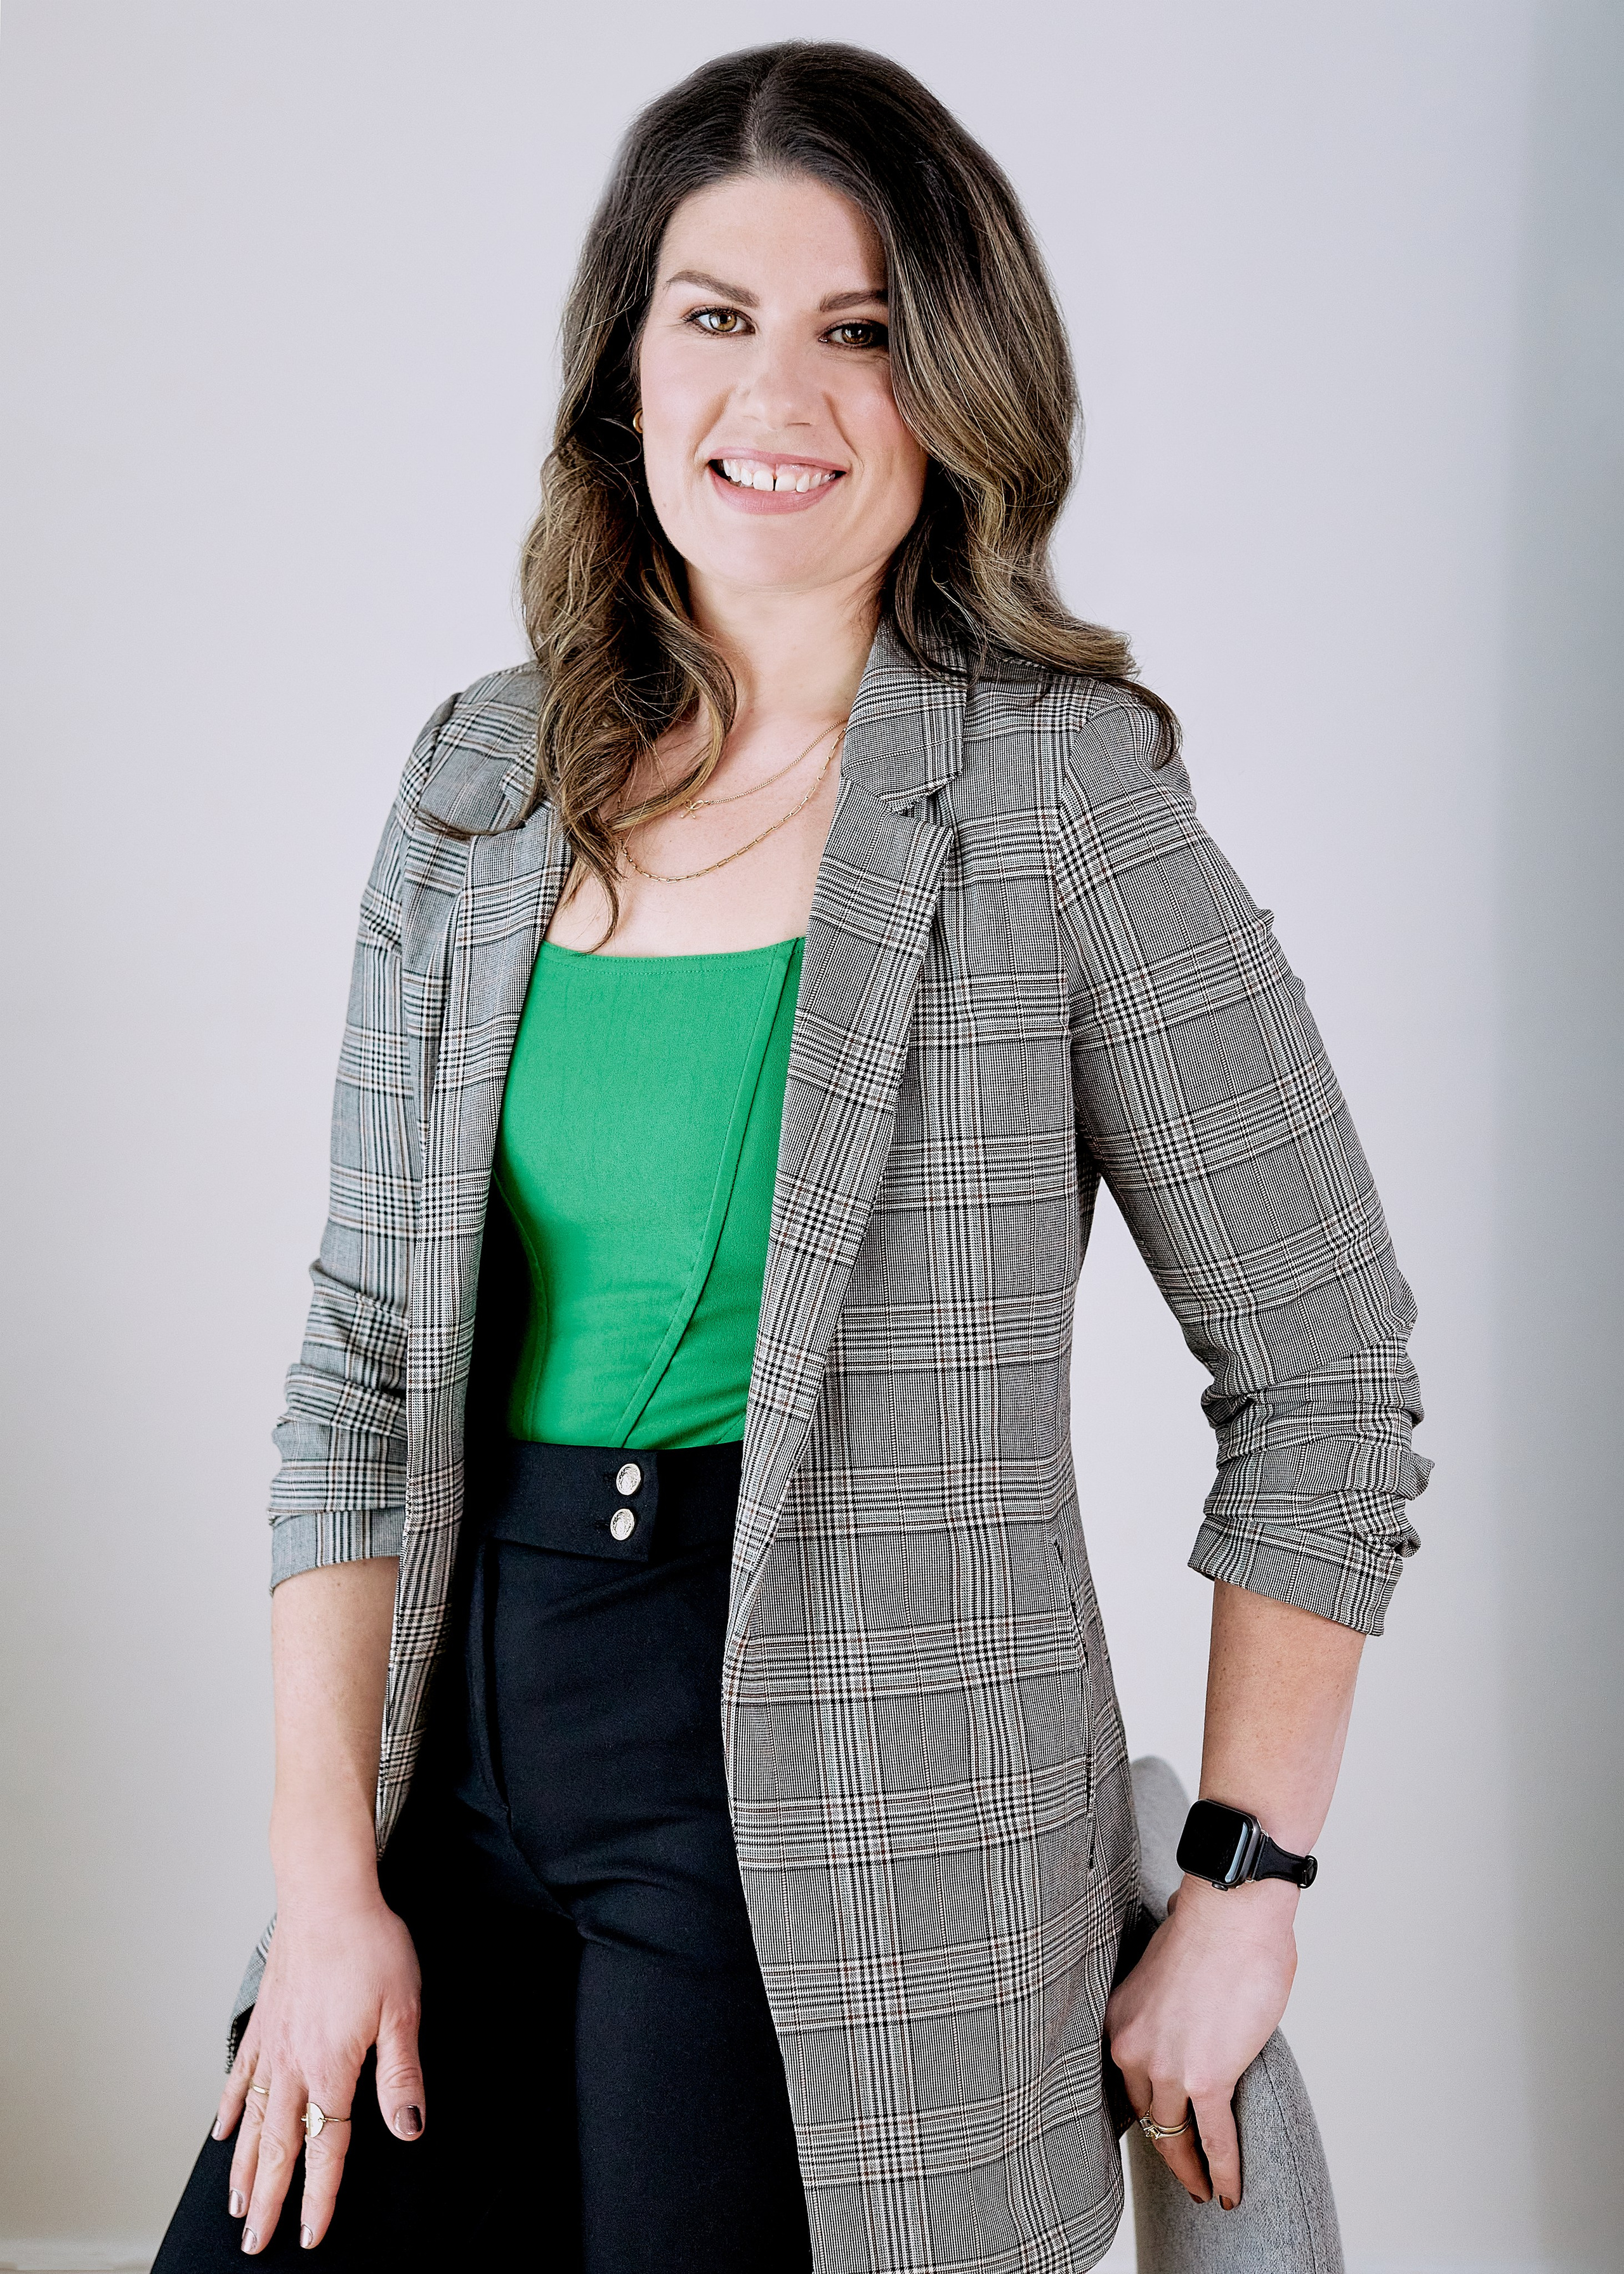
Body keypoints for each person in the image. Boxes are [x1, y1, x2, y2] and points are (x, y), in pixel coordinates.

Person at [154, 39, 1428, 2274]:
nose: (781, 395)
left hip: (842, 1823)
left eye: (861, 332)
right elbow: (360, 1369)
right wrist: (323, 1876)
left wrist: (1247, 1888)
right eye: (718, 317)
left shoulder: (1057, 803)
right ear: (627, 371)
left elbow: (1327, 1369)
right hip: (459, 1754)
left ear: (956, 390)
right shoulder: (476, 782)